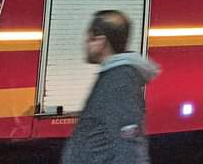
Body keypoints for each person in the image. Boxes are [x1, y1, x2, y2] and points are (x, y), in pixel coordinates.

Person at [61, 10, 159, 164]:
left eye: (89, 37)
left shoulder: (120, 82)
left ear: (101, 41)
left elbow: (130, 149)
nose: (85, 42)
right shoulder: (111, 75)